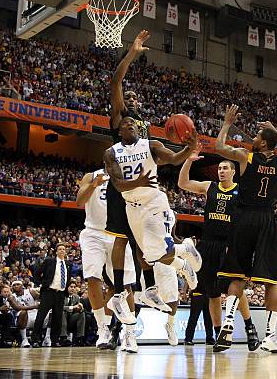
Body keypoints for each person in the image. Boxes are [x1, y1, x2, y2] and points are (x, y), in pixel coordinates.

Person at [213, 105, 277, 353]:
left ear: (263, 145)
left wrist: (227, 123)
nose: (253, 139)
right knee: (270, 281)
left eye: (258, 137)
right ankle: (270, 336)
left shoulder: (246, 157)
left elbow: (219, 147)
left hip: (243, 219)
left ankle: (228, 321)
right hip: (266, 220)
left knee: (236, 275)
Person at [105, 30, 169, 319]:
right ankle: (119, 292)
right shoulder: (120, 120)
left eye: (134, 97)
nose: (130, 99)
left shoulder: (144, 130)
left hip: (147, 192)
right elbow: (116, 80)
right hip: (123, 187)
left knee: (145, 243)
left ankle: (151, 289)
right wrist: (132, 53)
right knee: (121, 238)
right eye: (127, 96)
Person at [103, 117, 202, 302]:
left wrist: (189, 148)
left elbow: (173, 159)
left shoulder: (151, 145)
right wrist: (137, 182)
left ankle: (186, 249)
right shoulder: (111, 153)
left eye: (133, 123)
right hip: (132, 208)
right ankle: (184, 258)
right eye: (125, 123)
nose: (130, 124)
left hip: (154, 203)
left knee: (156, 252)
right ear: (119, 132)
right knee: (149, 256)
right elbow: (117, 184)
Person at [178, 152, 258, 349]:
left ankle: (250, 328)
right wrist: (188, 161)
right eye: (220, 168)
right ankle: (219, 334)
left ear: (233, 172)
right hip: (207, 244)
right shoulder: (209, 187)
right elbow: (183, 183)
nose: (221, 171)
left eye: (225, 168)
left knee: (235, 288)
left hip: (230, 244)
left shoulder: (242, 191)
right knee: (212, 293)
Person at [76, 168, 137, 351]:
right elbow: (79, 201)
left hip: (118, 233)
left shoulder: (128, 176)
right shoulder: (90, 175)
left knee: (124, 286)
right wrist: (94, 185)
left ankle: (129, 334)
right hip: (94, 232)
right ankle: (102, 328)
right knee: (92, 277)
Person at [31, 244, 71, 347]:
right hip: (48, 292)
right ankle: (35, 339)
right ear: (56, 251)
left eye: (63, 249)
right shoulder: (50, 261)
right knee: (41, 316)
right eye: (60, 249)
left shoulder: (67, 264)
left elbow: (67, 278)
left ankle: (55, 340)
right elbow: (37, 273)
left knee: (58, 318)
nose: (62, 251)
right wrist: (42, 284)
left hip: (61, 293)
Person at [8, 280, 41, 348]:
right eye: (14, 285)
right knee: (23, 312)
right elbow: (17, 307)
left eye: (18, 284)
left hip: (35, 314)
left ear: (22, 286)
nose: (16, 286)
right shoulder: (11, 297)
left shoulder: (30, 291)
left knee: (51, 313)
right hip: (21, 318)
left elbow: (42, 299)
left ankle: (47, 338)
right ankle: (24, 339)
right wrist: (34, 306)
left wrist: (39, 303)